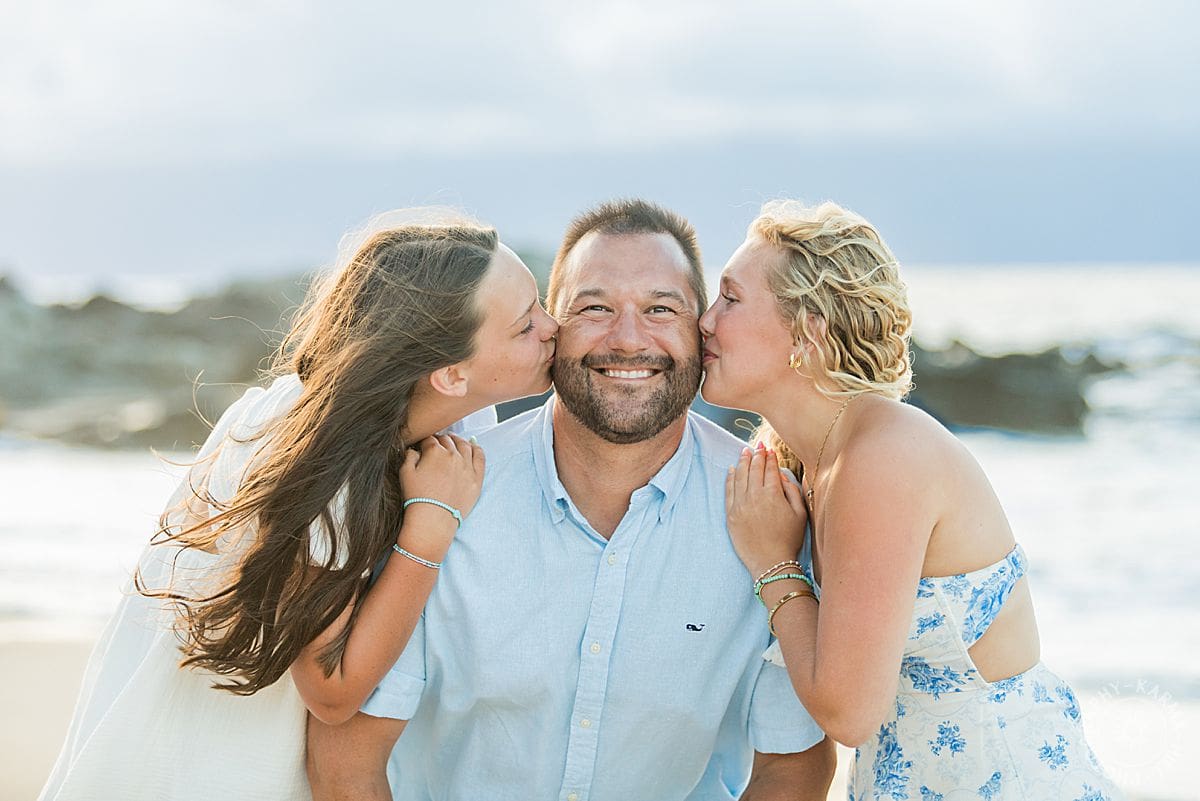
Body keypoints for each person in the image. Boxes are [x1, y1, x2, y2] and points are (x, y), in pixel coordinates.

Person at [306, 199, 836, 801]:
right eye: (595, 308)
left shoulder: (769, 514)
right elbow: (348, 760)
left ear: (703, 330)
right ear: (551, 331)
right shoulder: (439, 495)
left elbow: (792, 768)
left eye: (661, 309)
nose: (628, 340)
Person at [39, 212, 559, 801]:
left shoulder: (440, 421)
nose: (553, 327)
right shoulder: (318, 454)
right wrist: (429, 529)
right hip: (188, 776)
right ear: (451, 375)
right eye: (525, 325)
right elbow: (332, 689)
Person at [698, 199, 1125, 800]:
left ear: (808, 330)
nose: (705, 320)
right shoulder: (797, 461)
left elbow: (850, 713)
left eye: (730, 299)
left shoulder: (883, 453)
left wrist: (776, 566)